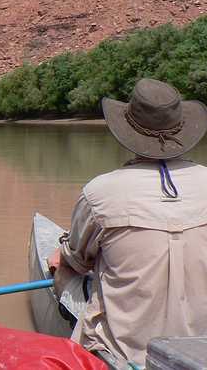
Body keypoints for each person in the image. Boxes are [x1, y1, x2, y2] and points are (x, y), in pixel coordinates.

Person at [48, 78, 207, 366]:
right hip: (199, 349)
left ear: (129, 130)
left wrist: (61, 258)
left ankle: (82, 342)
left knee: (61, 264)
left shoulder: (100, 193)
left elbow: (77, 262)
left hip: (129, 354)